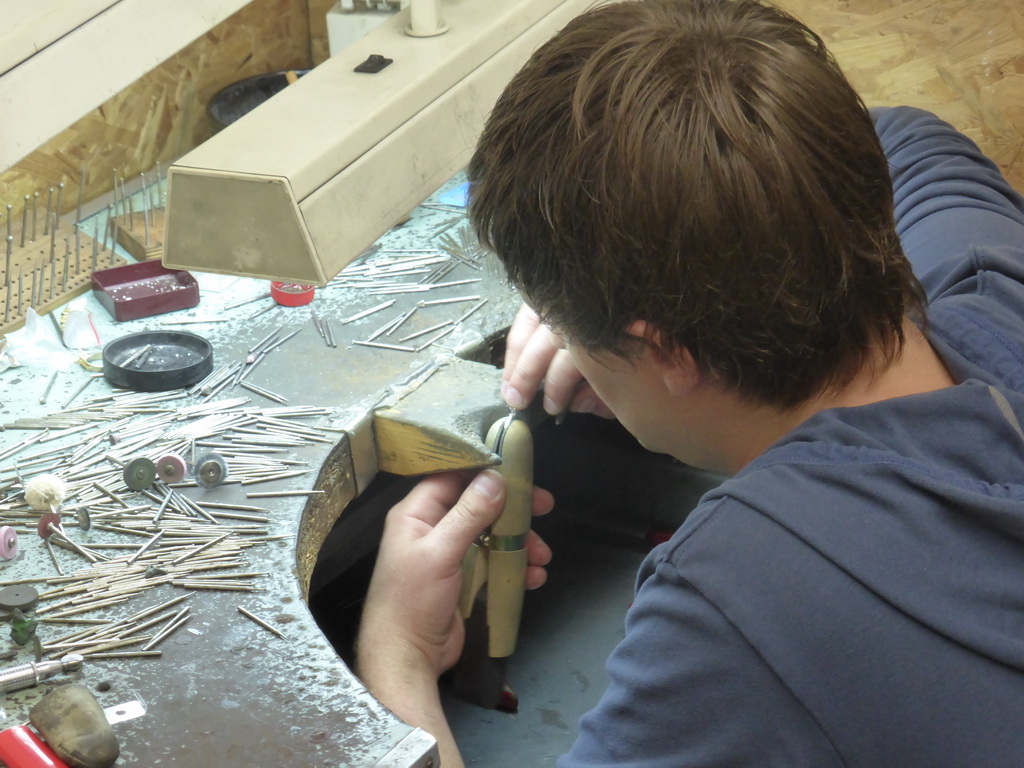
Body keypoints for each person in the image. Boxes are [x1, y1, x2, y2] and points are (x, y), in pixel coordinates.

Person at [355, 0, 1024, 765]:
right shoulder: (994, 283)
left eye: (566, 325)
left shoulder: (747, 597)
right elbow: (903, 133)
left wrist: (397, 656)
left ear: (670, 354)